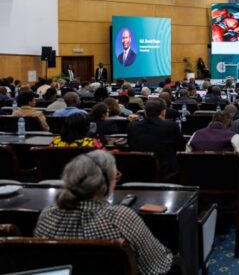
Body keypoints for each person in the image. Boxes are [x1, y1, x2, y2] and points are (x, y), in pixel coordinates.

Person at [34, 150, 174, 274]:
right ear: (104, 185)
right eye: (115, 176)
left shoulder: (47, 215)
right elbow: (158, 266)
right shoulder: (120, 217)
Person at [127, 99, 186, 177]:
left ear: (145, 112)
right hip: (166, 171)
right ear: (163, 112)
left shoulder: (132, 126)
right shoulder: (171, 126)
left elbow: (130, 144)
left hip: (139, 170)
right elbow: (181, 147)